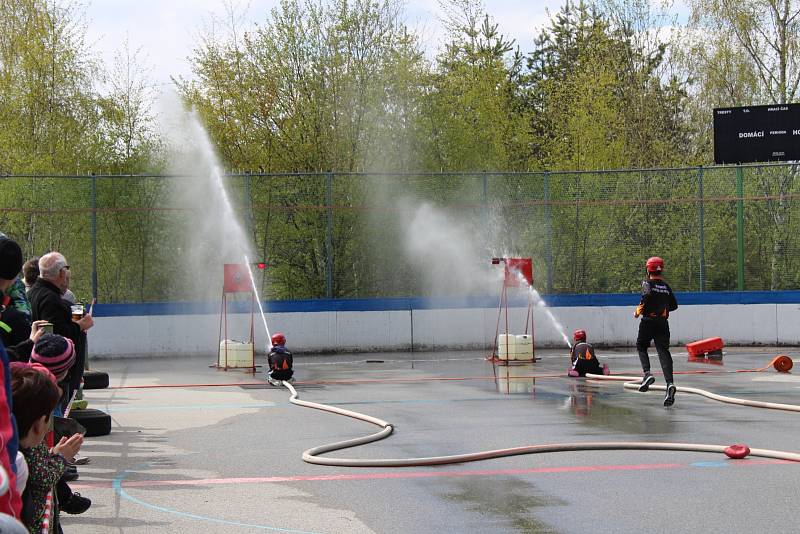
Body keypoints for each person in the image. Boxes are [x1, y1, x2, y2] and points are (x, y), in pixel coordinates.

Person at [10, 364, 83, 533]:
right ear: (38, 425)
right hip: (34, 524)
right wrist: (61, 458)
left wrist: (53, 453)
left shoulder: (12, 448)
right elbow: (44, 478)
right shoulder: (24, 455)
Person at [27, 252, 93, 403]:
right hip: (56, 376)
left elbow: (67, 310)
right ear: (62, 273)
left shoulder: (35, 293)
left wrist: (76, 313)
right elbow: (57, 335)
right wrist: (80, 325)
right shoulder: (50, 299)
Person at [634, 256, 679, 406]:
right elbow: (674, 305)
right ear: (661, 269)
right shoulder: (666, 286)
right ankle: (670, 384)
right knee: (663, 351)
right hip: (662, 323)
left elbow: (646, 294)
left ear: (648, 269)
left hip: (648, 320)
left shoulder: (647, 282)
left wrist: (640, 308)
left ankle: (647, 373)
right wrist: (663, 308)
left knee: (641, 346)